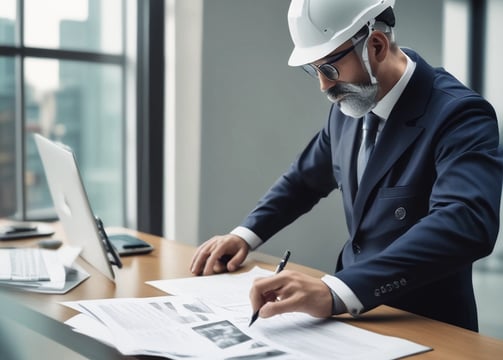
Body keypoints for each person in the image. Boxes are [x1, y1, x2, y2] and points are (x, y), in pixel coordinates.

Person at [190, 0, 503, 331]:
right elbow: (303, 180)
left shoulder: (460, 115)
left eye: (329, 69)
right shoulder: (348, 108)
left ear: (376, 46)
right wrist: (245, 235)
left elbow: (465, 223)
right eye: (314, 70)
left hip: (426, 327)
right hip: (350, 321)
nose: (324, 87)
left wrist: (336, 290)